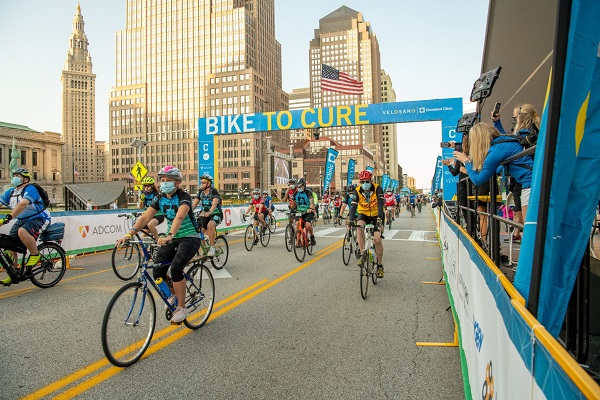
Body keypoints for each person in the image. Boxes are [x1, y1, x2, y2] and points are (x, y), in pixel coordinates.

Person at [116, 165, 201, 324]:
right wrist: (128, 235)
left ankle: (181, 307)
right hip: (172, 238)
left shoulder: (184, 197)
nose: (165, 183)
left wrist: (169, 235)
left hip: (190, 237)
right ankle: (173, 294)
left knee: (176, 268)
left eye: (169, 180)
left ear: (177, 183)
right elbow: (144, 218)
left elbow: (179, 217)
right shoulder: (159, 198)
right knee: (157, 271)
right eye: (162, 180)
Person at [453, 123, 534, 234]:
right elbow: (495, 169)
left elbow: (478, 180)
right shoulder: (505, 141)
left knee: (530, 230)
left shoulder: (496, 151)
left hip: (530, 185)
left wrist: (466, 162)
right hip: (534, 181)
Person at [491, 103, 540, 241]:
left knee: (528, 223)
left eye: (514, 118)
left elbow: (508, 142)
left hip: (528, 182)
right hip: (529, 180)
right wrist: (497, 123)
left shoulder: (524, 135)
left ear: (520, 118)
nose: (513, 121)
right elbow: (508, 139)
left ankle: (531, 256)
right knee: (529, 221)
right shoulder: (533, 132)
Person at [0, 168, 51, 286]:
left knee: (22, 232)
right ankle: (13, 273)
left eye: (17, 176)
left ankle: (35, 254)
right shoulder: (11, 192)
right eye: (13, 176)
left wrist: (8, 218)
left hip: (39, 218)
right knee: (9, 244)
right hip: (23, 219)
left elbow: (23, 204)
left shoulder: (30, 189)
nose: (14, 178)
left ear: (26, 179)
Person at [349, 170, 385, 278]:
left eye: (367, 181)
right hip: (363, 214)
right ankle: (363, 253)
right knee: (359, 227)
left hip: (376, 215)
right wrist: (351, 219)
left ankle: (379, 266)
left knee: (377, 240)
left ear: (371, 180)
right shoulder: (357, 191)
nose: (365, 183)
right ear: (360, 182)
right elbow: (353, 205)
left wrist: (379, 219)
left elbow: (380, 205)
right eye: (363, 182)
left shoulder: (378, 188)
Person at [191, 174, 223, 256]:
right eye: (201, 183)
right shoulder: (200, 193)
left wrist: (210, 211)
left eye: (204, 183)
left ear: (209, 184)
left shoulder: (214, 191)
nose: (202, 184)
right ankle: (204, 249)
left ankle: (212, 248)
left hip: (216, 214)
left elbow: (215, 203)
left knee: (210, 226)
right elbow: (194, 205)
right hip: (204, 215)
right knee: (198, 232)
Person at [137, 176, 164, 240]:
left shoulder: (156, 195)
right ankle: (148, 249)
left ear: (152, 186)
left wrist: (146, 212)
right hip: (148, 216)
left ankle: (158, 240)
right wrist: (141, 200)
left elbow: (154, 207)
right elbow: (141, 207)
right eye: (145, 186)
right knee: (144, 237)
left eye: (148, 186)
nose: (146, 188)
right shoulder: (143, 194)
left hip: (158, 215)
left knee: (150, 225)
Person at [291, 178, 317, 246]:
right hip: (299, 211)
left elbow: (311, 201)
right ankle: (298, 239)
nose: (299, 187)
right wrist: (292, 206)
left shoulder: (308, 192)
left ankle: (312, 236)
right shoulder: (295, 194)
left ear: (304, 185)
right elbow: (292, 205)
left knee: (307, 225)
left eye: (300, 186)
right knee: (297, 223)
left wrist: (311, 208)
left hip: (308, 212)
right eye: (298, 186)